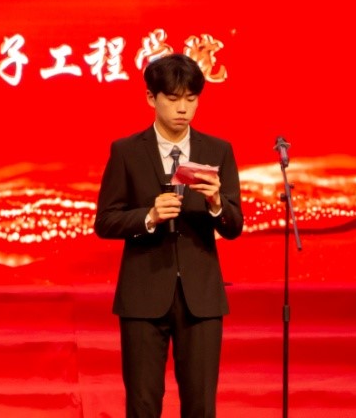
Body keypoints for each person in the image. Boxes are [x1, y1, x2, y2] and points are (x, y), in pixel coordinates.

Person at [94, 54, 244, 418]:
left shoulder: (217, 150)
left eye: (191, 99)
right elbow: (105, 221)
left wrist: (216, 203)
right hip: (143, 294)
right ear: (151, 97)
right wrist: (149, 216)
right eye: (173, 98)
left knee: (201, 405)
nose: (183, 109)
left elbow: (234, 226)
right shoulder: (127, 151)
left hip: (201, 298)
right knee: (143, 404)